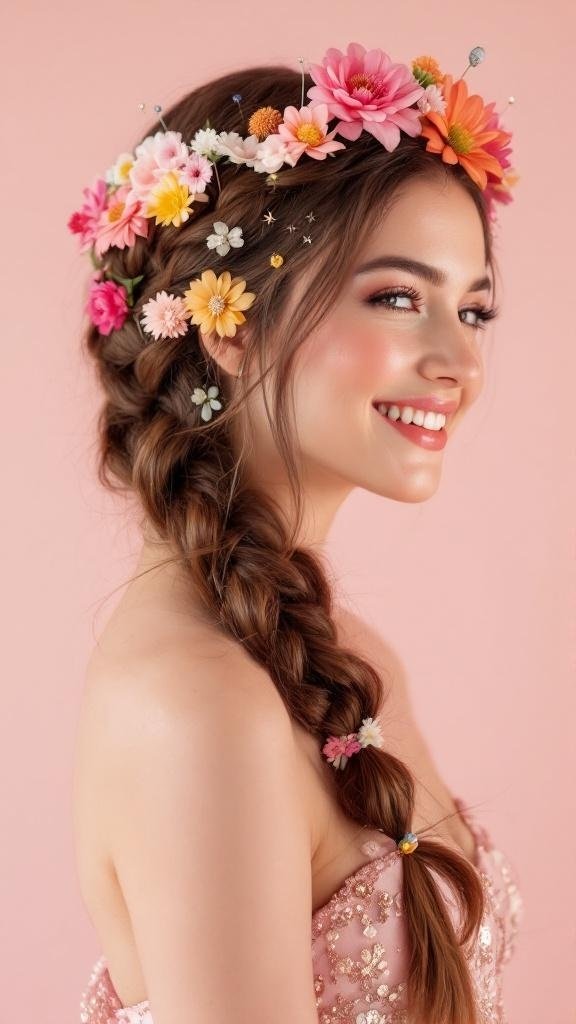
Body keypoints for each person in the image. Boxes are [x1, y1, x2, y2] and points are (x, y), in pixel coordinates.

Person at [70, 42, 523, 1024]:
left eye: (473, 307)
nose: (459, 363)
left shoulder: (339, 654)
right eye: (399, 297)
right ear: (229, 324)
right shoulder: (199, 706)